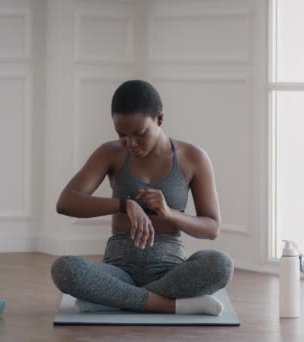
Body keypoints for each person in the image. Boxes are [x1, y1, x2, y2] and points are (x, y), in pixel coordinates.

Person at [50, 80, 234, 315]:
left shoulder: (193, 157)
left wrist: (169, 213)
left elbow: (211, 228)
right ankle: (168, 305)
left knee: (221, 265)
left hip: (170, 272)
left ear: (159, 119)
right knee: (64, 269)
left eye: (139, 133)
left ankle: (115, 298)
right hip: (118, 270)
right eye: (122, 134)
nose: (131, 143)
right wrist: (124, 205)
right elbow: (66, 202)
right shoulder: (110, 152)